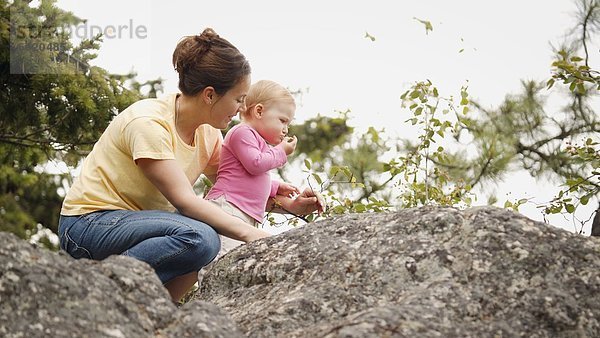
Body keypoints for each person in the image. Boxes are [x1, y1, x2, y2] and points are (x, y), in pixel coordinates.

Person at [57, 28, 324, 302]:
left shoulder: (207, 133)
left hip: (140, 233)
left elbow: (235, 187)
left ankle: (151, 308)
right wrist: (253, 234)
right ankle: (99, 290)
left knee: (202, 235)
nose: (239, 109)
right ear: (209, 95)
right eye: (237, 99)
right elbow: (185, 201)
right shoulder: (148, 123)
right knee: (202, 236)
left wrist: (287, 204)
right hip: (88, 226)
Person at [205, 80, 309, 256]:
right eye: (282, 121)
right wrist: (281, 152)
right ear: (259, 111)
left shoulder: (257, 141)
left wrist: (274, 187)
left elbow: (249, 177)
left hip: (241, 212)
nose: (285, 129)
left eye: (288, 124)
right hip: (228, 207)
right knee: (222, 257)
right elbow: (255, 165)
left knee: (234, 261)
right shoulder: (242, 132)